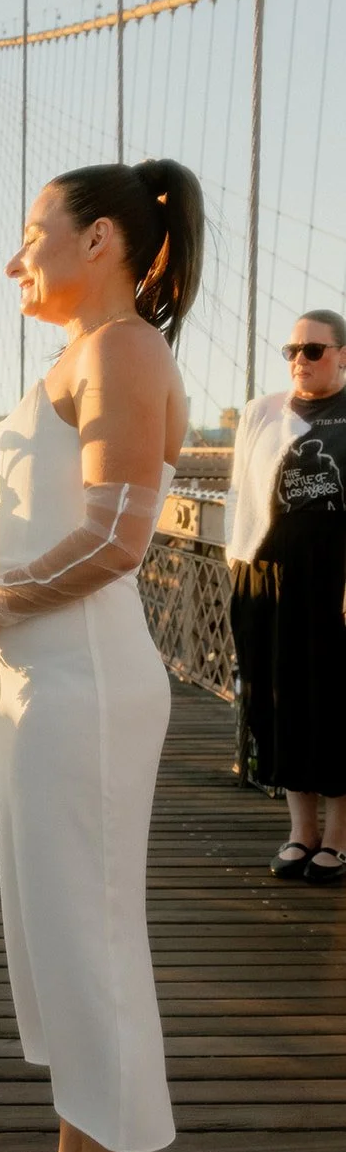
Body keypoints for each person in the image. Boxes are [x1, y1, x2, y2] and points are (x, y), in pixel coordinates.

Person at [0, 160, 204, 1152]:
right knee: (55, 947)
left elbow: (115, 544)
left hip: (87, 686)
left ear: (99, 240)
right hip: (38, 683)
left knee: (93, 947)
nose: (13, 257)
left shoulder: (125, 350)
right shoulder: (74, 357)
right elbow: (52, 531)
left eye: (31, 231)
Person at [226, 310, 346, 884]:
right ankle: (302, 833)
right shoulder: (261, 412)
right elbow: (238, 496)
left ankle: (340, 840)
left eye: (315, 350)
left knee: (335, 705)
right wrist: (236, 563)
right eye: (292, 349)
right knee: (280, 700)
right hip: (268, 578)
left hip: (336, 580)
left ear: (343, 354)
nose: (300, 358)